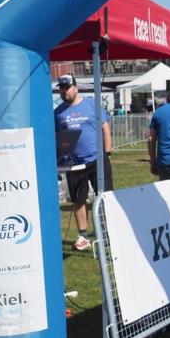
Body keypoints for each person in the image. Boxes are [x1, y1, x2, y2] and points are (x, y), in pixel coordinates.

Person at [54, 74, 113, 251]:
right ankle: (83, 235)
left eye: (67, 87)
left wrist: (107, 150)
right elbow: (56, 137)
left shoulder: (91, 104)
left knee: (105, 196)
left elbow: (105, 126)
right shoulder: (58, 113)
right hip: (73, 164)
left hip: (97, 159)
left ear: (75, 87)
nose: (64, 91)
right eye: (61, 88)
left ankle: (108, 232)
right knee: (78, 200)